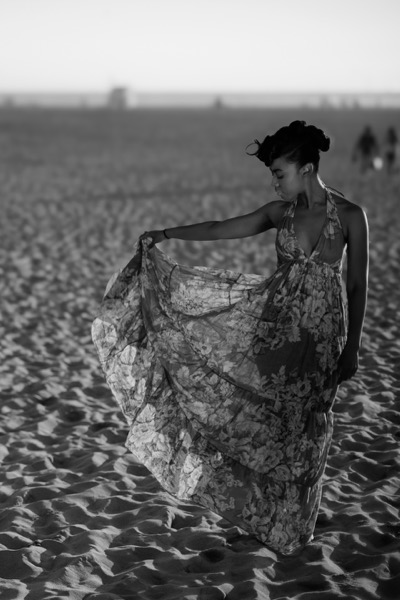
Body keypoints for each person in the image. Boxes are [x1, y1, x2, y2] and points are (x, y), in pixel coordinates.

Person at [92, 120, 369, 555]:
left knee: (310, 427)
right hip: (274, 331)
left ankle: (295, 528)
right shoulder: (281, 213)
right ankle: (261, 521)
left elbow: (356, 284)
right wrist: (166, 234)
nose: (275, 182)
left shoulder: (351, 216)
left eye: (280, 173)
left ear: (309, 168)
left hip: (322, 336)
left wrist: (352, 346)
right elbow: (223, 227)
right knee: (268, 424)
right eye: (273, 175)